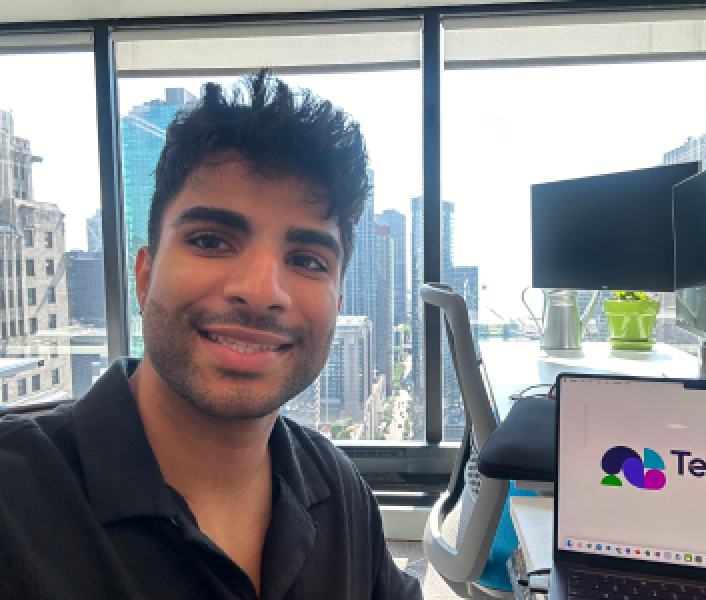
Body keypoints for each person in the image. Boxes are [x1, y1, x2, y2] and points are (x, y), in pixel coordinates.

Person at [0, 71, 423, 600]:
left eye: (307, 260)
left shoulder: (338, 489)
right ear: (145, 275)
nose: (261, 290)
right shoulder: (15, 503)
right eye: (211, 241)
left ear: (337, 306)